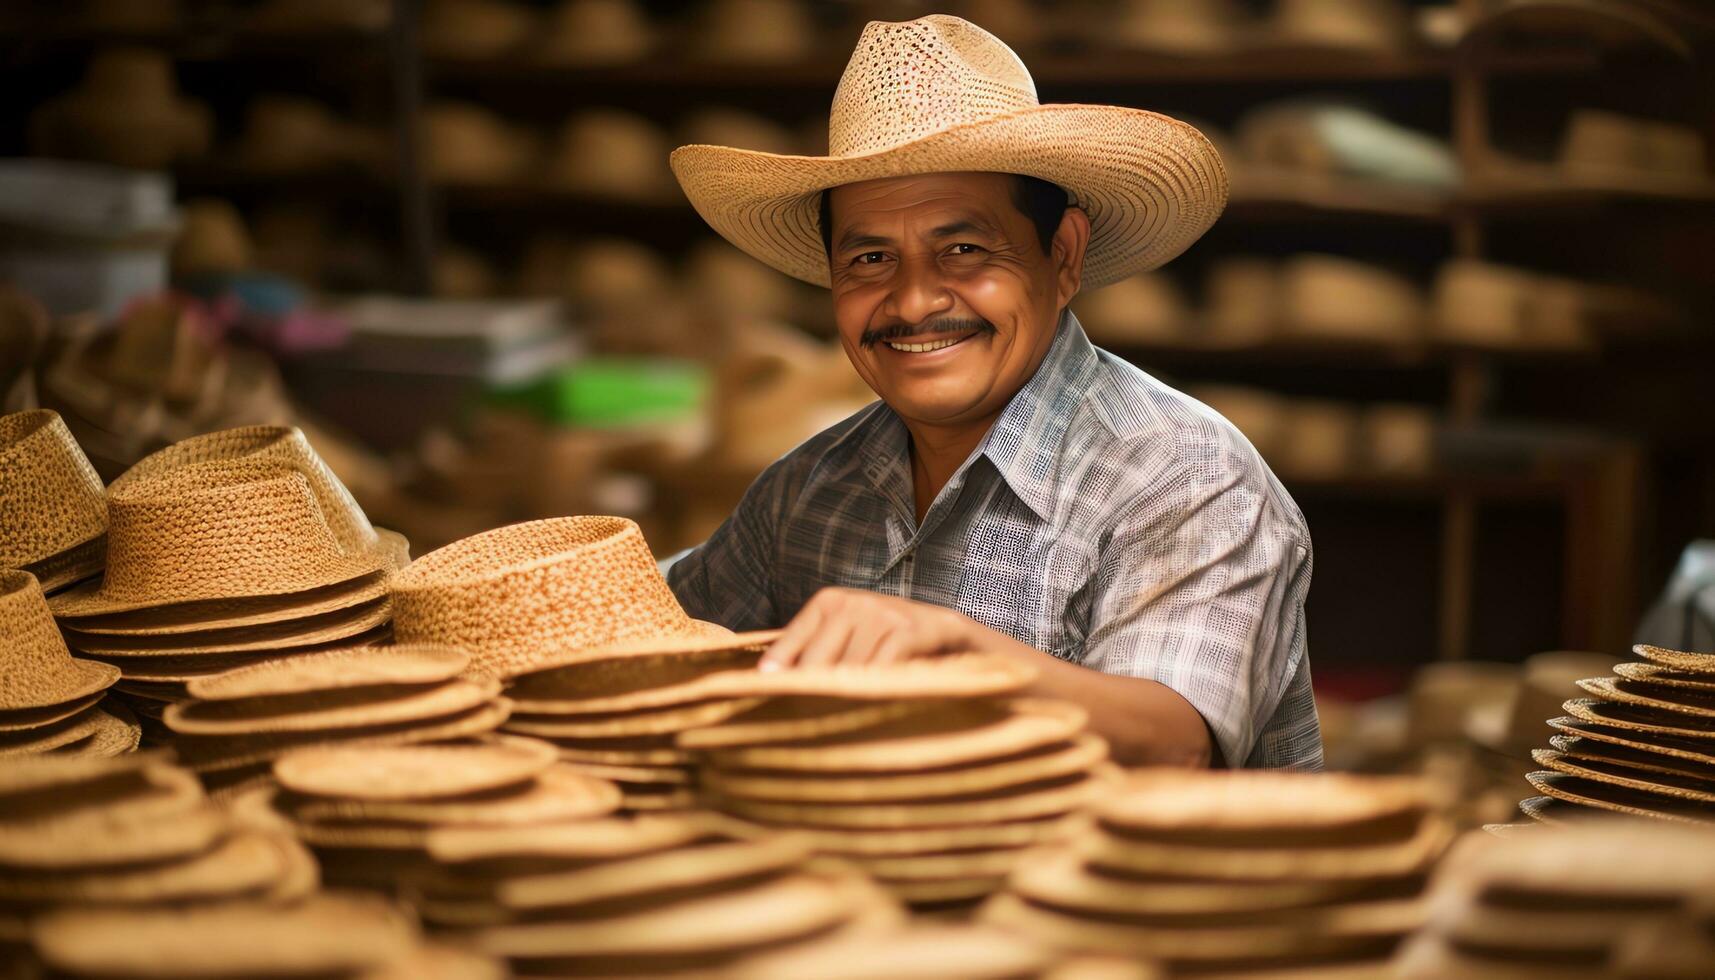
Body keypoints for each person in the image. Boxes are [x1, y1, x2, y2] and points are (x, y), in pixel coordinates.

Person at [666, 15, 1320, 770]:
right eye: (870, 258)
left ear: (1062, 255)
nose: (912, 303)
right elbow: (664, 632)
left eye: (964, 250)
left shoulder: (1181, 474)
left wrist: (963, 656)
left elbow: (1170, 739)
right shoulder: (806, 490)